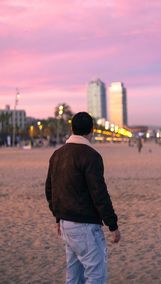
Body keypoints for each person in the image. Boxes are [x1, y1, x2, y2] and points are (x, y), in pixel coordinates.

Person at [45, 112, 120, 284]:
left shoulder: (57, 154)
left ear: (72, 129)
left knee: (74, 277)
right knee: (96, 276)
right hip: (85, 226)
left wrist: (58, 217)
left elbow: (50, 190)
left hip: (66, 225)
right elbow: (99, 193)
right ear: (91, 131)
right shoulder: (91, 156)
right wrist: (113, 225)